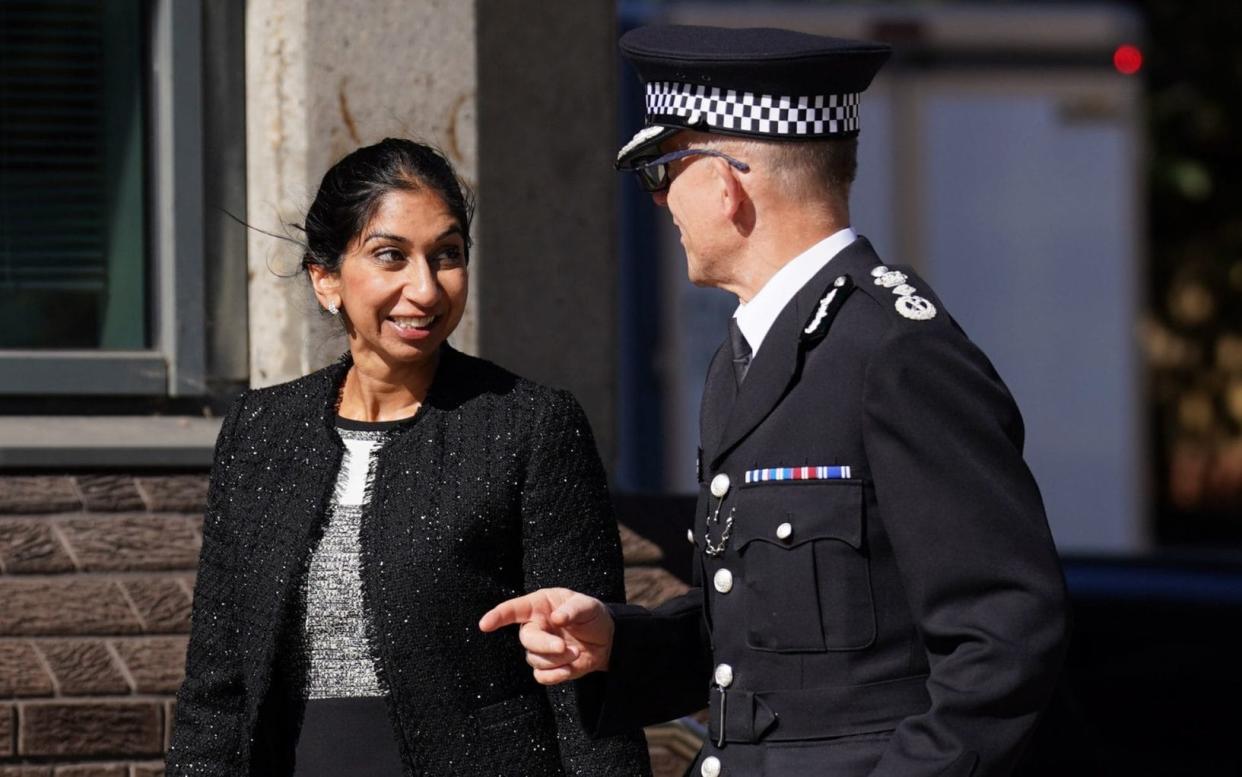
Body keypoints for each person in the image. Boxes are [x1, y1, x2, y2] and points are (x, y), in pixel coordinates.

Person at [480, 25, 1069, 777]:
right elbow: (763, 636)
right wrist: (621, 643)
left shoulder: (894, 351)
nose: (660, 200)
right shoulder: (749, 355)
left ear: (726, 185)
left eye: (663, 172)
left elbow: (1005, 634)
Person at [167, 138, 651, 777]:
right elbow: (218, 681)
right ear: (327, 279)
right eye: (390, 256)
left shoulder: (530, 425)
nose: (424, 289)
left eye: (447, 255)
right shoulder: (262, 431)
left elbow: (585, 680)